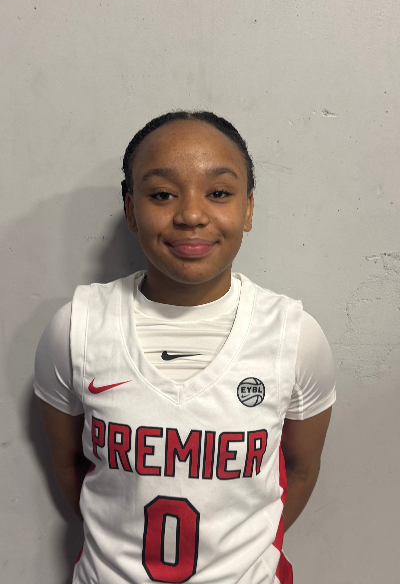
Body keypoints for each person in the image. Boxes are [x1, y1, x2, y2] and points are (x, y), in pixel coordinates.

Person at [35, 111, 335, 584]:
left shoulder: (294, 337)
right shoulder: (76, 328)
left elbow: (299, 469)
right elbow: (69, 465)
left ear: (248, 209)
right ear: (131, 210)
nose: (192, 215)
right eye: (162, 194)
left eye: (218, 193)